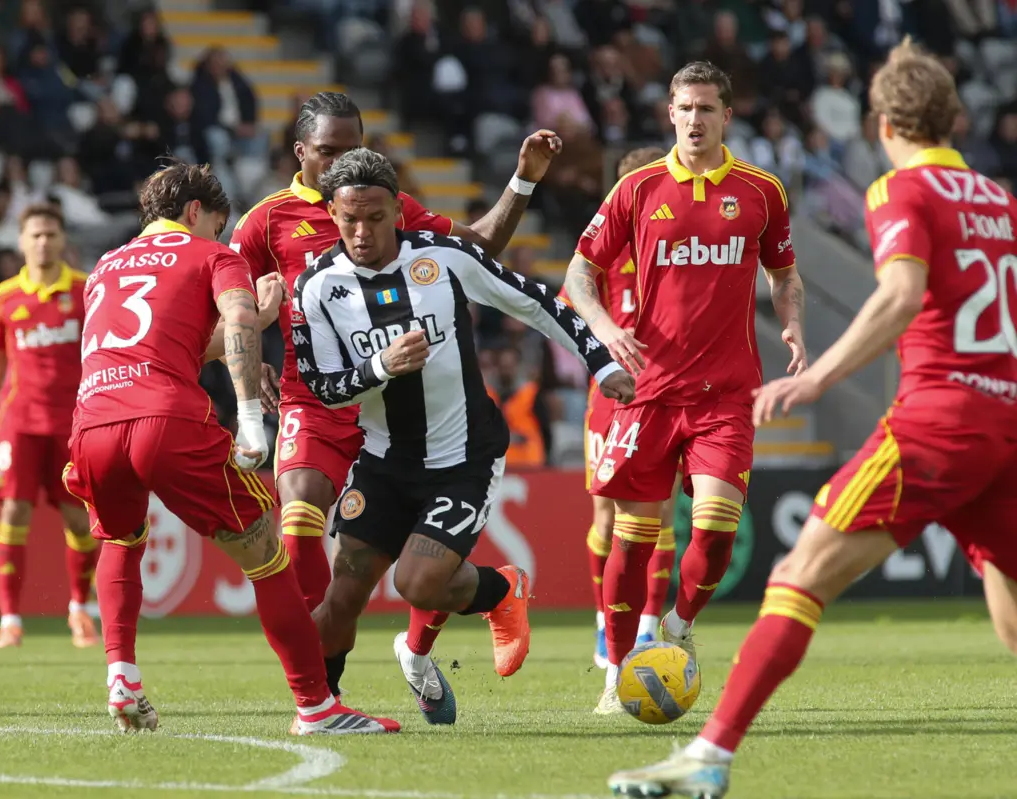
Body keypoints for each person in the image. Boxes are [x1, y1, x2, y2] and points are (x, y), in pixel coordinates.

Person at [606, 39, 1017, 798]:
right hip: (1006, 421)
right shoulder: (1000, 199)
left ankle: (709, 755)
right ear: (956, 118)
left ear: (881, 124)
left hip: (938, 418)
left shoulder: (900, 190)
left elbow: (898, 296)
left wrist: (820, 373)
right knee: (1010, 611)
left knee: (797, 576)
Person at [230, 91, 561, 722]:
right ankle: (325, 697)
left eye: (350, 148)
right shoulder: (264, 221)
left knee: (421, 569)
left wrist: (522, 181)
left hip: (405, 411)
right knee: (301, 524)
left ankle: (433, 639)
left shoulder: (389, 206)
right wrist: (249, 362)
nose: (339, 163)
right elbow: (231, 307)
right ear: (300, 152)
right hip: (320, 403)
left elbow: (481, 249)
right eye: (327, 152)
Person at [291, 148, 635, 726]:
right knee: (341, 594)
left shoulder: (445, 259)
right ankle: (321, 710)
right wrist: (381, 369)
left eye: (375, 218)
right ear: (331, 212)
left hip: (462, 457)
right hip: (380, 460)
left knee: (417, 583)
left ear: (398, 213)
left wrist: (602, 366)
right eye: (349, 218)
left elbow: (538, 302)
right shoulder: (317, 287)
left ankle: (501, 592)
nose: (361, 231)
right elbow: (324, 388)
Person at [63, 160, 400, 736]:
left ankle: (122, 674)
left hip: (93, 421)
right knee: (267, 557)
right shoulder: (212, 255)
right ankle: (317, 707)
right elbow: (238, 320)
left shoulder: (103, 267)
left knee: (120, 537)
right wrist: (249, 415)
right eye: (217, 225)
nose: (219, 236)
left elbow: (171, 344)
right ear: (198, 213)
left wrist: (260, 315)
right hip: (166, 420)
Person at [563, 61, 808, 712]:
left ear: (728, 116)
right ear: (669, 113)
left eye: (707, 109)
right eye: (685, 108)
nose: (695, 120)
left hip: (727, 392)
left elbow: (784, 274)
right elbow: (579, 274)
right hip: (649, 391)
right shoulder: (638, 189)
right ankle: (617, 671)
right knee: (632, 538)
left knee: (717, 532)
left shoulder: (761, 191)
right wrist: (606, 328)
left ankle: (676, 628)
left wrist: (792, 327)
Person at [556, 145, 683, 673]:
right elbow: (569, 310)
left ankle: (649, 628)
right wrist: (606, 335)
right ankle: (607, 622)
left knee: (662, 511)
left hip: (669, 392)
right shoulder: (601, 250)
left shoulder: (682, 243)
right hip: (611, 398)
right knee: (606, 516)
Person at [0, 203, 100, 650]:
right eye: (35, 235)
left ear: (63, 240)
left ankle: (80, 609)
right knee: (13, 511)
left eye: (50, 234)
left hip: (72, 424)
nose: (43, 242)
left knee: (78, 520)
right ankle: (9, 620)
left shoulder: (85, 291)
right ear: (21, 241)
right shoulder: (2, 297)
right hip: (18, 422)